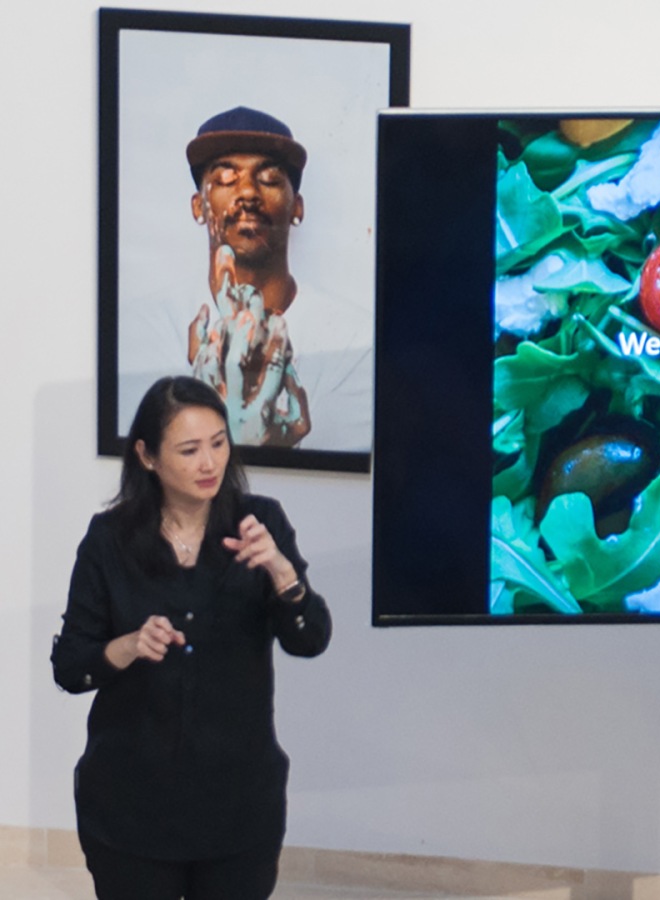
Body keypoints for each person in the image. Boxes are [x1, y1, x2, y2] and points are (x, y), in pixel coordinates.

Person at [51, 376, 332, 899]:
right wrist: (129, 645)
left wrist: (281, 571)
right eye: (190, 449)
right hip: (130, 806)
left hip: (238, 806)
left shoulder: (260, 523)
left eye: (219, 443)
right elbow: (71, 665)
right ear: (148, 456)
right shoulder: (108, 540)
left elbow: (310, 639)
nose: (210, 463)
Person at [185, 106, 314, 446]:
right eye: (226, 178)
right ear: (199, 206)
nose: (247, 194)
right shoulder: (143, 331)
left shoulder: (357, 345)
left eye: (269, 178)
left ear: (297, 207)